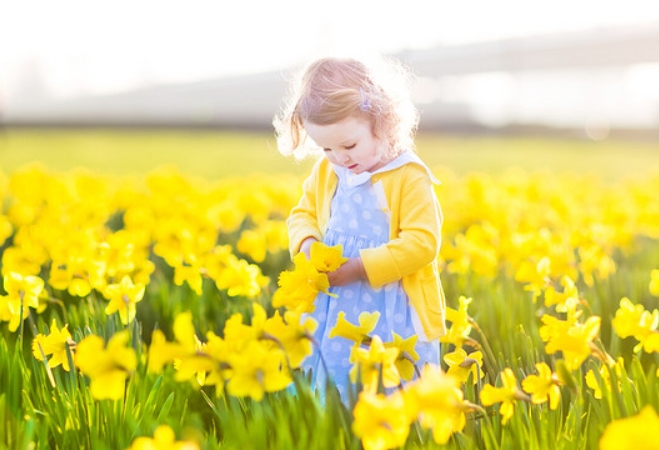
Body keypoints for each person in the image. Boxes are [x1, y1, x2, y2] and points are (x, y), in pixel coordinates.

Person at [273, 56, 446, 401]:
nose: (339, 157)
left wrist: (360, 268)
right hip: (333, 302)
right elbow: (302, 214)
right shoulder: (328, 171)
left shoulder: (408, 177)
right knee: (335, 379)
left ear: (381, 124)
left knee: (390, 384)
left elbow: (422, 243)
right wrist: (307, 245)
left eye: (349, 145)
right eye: (325, 147)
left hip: (391, 305)